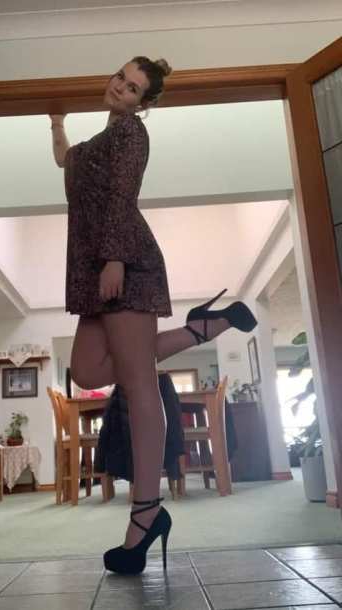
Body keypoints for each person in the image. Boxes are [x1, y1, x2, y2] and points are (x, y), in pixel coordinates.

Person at [49, 56, 257, 575]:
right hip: (94, 269)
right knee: (87, 370)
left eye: (133, 88)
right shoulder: (95, 144)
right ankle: (206, 325)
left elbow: (124, 196)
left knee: (139, 384)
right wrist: (55, 121)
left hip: (125, 264)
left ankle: (145, 514)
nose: (121, 88)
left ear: (144, 103)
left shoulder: (131, 135)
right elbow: (63, 161)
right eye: (120, 77)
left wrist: (115, 259)